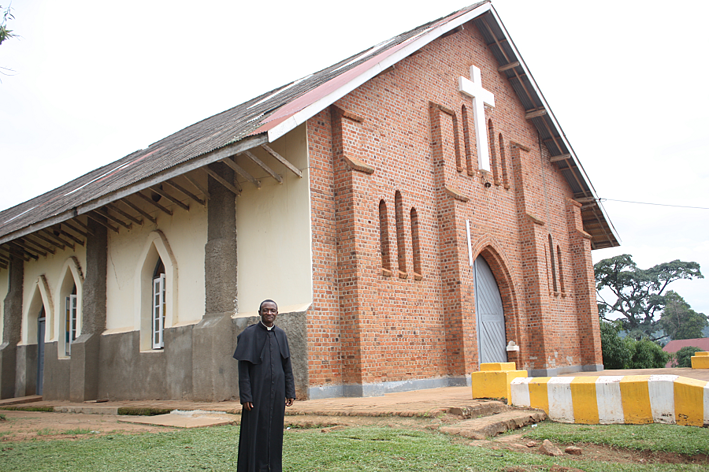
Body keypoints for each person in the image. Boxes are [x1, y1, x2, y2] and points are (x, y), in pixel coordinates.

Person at [233, 299, 295, 472]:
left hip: (277, 393)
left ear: (277, 313)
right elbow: (243, 369)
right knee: (255, 431)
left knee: (274, 431)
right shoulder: (249, 334)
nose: (269, 313)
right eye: (266, 310)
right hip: (256, 393)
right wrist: (246, 396)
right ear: (259, 312)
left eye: (272, 310)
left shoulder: (281, 334)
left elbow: (286, 365)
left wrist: (290, 391)